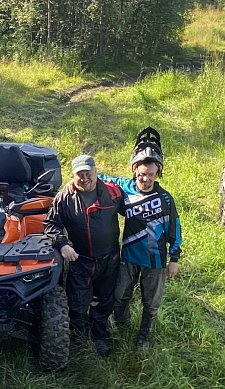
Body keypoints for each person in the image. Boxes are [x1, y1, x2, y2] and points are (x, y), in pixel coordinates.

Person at [101, 138, 182, 352]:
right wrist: (80, 177)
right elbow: (99, 178)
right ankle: (122, 326)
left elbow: (175, 230)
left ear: (158, 173)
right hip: (128, 256)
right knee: (120, 296)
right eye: (141, 174)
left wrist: (174, 259)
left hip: (155, 261)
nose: (144, 179)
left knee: (151, 304)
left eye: (150, 175)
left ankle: (144, 338)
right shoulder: (125, 188)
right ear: (134, 169)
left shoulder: (165, 199)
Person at [44, 154, 124, 358]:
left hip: (110, 258)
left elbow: (133, 212)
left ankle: (99, 336)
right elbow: (51, 225)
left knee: (105, 299)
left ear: (96, 171)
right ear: (73, 175)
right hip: (81, 260)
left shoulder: (112, 192)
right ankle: (80, 339)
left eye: (88, 173)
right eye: (80, 174)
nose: (85, 177)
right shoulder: (64, 197)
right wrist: (62, 245)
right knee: (77, 302)